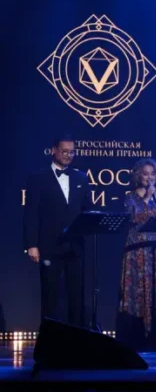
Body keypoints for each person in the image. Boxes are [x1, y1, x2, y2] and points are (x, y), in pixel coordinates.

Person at [23, 135, 89, 327]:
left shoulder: (81, 178)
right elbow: (31, 213)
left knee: (76, 297)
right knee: (50, 296)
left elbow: (87, 210)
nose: (68, 155)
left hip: (75, 246)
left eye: (71, 152)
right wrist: (32, 244)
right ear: (54, 151)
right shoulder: (38, 178)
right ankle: (50, 339)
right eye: (64, 151)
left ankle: (77, 337)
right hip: (49, 246)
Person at [116, 158, 156, 351]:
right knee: (138, 293)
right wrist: (146, 198)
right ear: (138, 176)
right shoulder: (130, 198)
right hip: (138, 253)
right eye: (145, 174)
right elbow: (134, 217)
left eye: (153, 174)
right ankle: (136, 336)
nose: (149, 177)